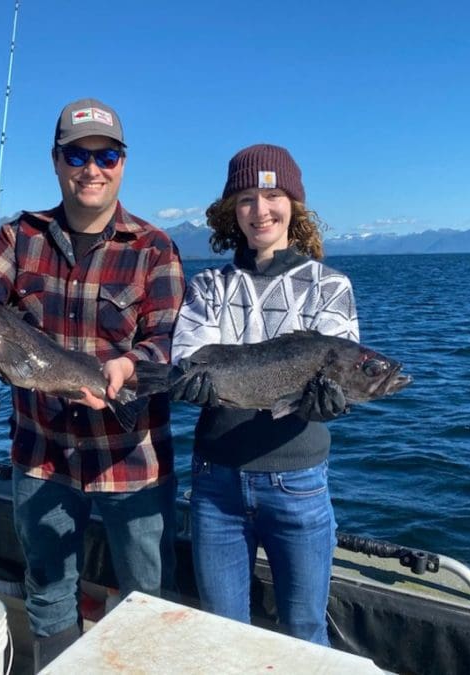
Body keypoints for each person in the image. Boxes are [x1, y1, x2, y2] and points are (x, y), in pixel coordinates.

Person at [0, 97, 185, 669]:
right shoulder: (20, 237)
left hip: (134, 461)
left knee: (149, 601)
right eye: (77, 154)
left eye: (107, 155)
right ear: (55, 161)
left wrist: (131, 365)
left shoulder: (155, 249)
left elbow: (169, 341)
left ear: (123, 163)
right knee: (47, 594)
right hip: (41, 454)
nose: (91, 168)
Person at [170, 144, 357, 646]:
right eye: (247, 198)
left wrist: (331, 403)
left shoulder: (330, 286)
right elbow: (187, 360)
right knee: (223, 633)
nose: (261, 210)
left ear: (294, 204)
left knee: (303, 630)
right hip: (215, 485)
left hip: (299, 484)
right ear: (232, 210)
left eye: (273, 195)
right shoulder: (207, 285)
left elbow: (346, 373)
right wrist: (188, 385)